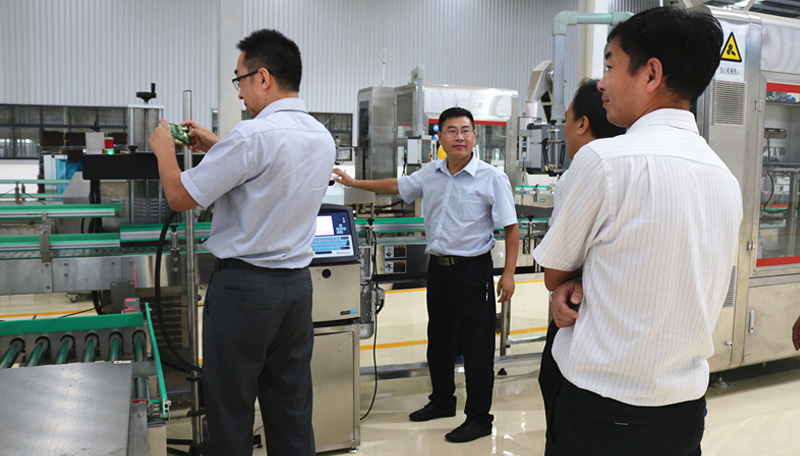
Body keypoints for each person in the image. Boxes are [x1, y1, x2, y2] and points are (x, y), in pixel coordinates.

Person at [532, 7, 743, 455]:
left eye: (610, 66)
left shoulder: (605, 162)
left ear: (651, 74)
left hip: (601, 413)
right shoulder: (724, 177)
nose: (602, 84)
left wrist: (570, 285)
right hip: (684, 413)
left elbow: (555, 275)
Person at [148, 29, 335, 456]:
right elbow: (273, 172)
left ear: (263, 77)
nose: (239, 93)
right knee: (290, 408)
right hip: (295, 291)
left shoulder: (251, 136)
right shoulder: (320, 137)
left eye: (240, 80)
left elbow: (180, 196)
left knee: (230, 409)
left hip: (245, 293)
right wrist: (219, 146)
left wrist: (164, 150)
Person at [333, 107, 519, 443]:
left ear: (474, 135)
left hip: (473, 272)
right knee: (440, 340)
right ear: (441, 138)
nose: (459, 137)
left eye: (465, 130)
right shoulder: (431, 172)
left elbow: (511, 227)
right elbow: (397, 186)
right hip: (439, 271)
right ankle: (442, 401)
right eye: (452, 131)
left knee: (477, 348)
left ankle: (479, 419)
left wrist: (508, 274)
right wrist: (354, 182)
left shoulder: (492, 177)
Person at [537, 78, 625, 429]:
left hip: (581, 325)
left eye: (567, 119)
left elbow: (555, 274)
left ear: (582, 124)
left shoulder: (588, 167)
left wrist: (566, 282)